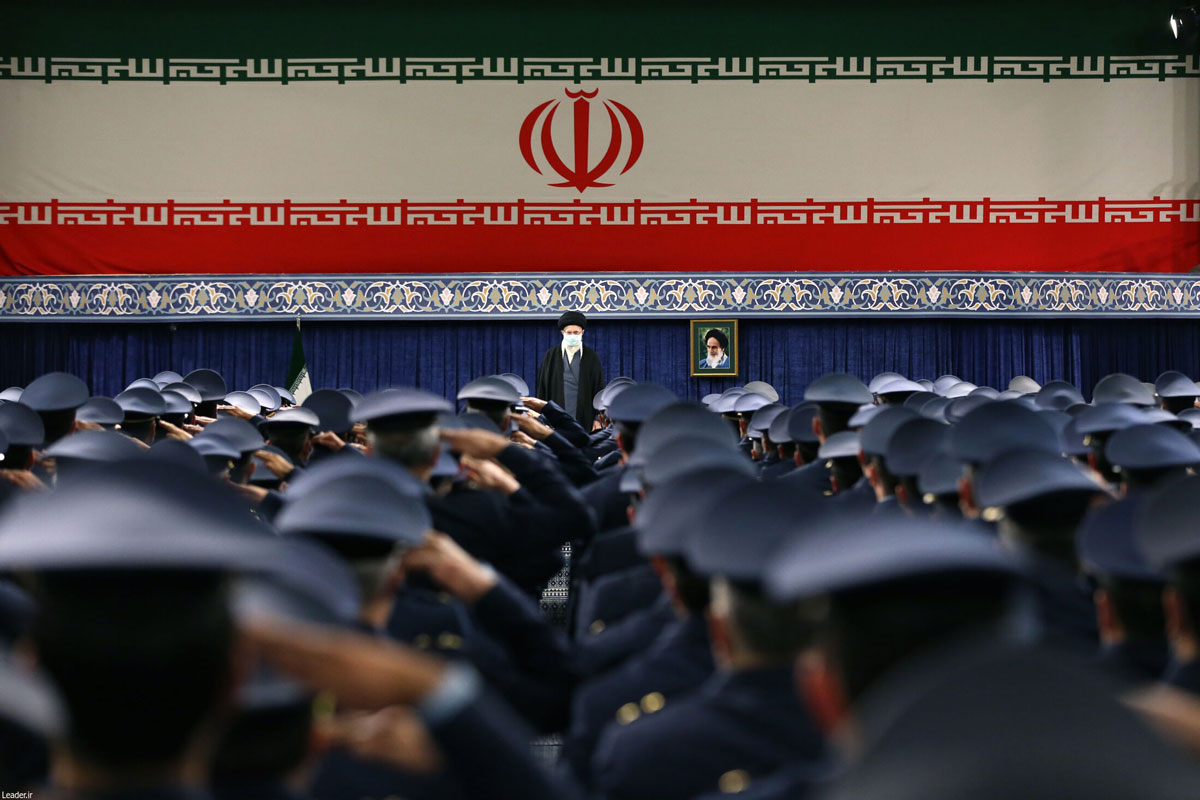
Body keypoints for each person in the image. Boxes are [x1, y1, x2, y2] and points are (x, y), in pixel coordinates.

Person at [536, 311, 604, 428]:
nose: (572, 335)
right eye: (569, 332)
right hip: (555, 421)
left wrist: (597, 418)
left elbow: (599, 389)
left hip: (585, 420)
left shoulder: (591, 356)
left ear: (582, 332)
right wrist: (542, 419)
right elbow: (542, 389)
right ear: (562, 332)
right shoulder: (550, 356)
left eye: (576, 332)